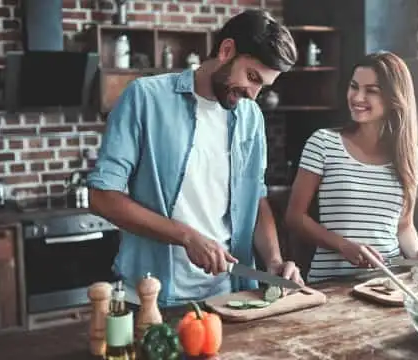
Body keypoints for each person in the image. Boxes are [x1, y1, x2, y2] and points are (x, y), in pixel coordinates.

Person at [87, 9, 304, 307]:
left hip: (229, 296)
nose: (253, 95)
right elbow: (101, 197)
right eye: (252, 77)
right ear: (227, 50)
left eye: (262, 86)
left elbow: (256, 199)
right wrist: (186, 236)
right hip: (151, 296)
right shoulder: (146, 98)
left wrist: (275, 262)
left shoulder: (250, 117)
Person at [285, 51, 418, 283]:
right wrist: (343, 245)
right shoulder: (323, 143)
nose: (357, 97)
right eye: (354, 87)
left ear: (393, 98)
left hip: (388, 283)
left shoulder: (410, 156)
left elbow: (404, 226)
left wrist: (417, 254)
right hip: (331, 284)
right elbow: (294, 217)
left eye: (371, 91)